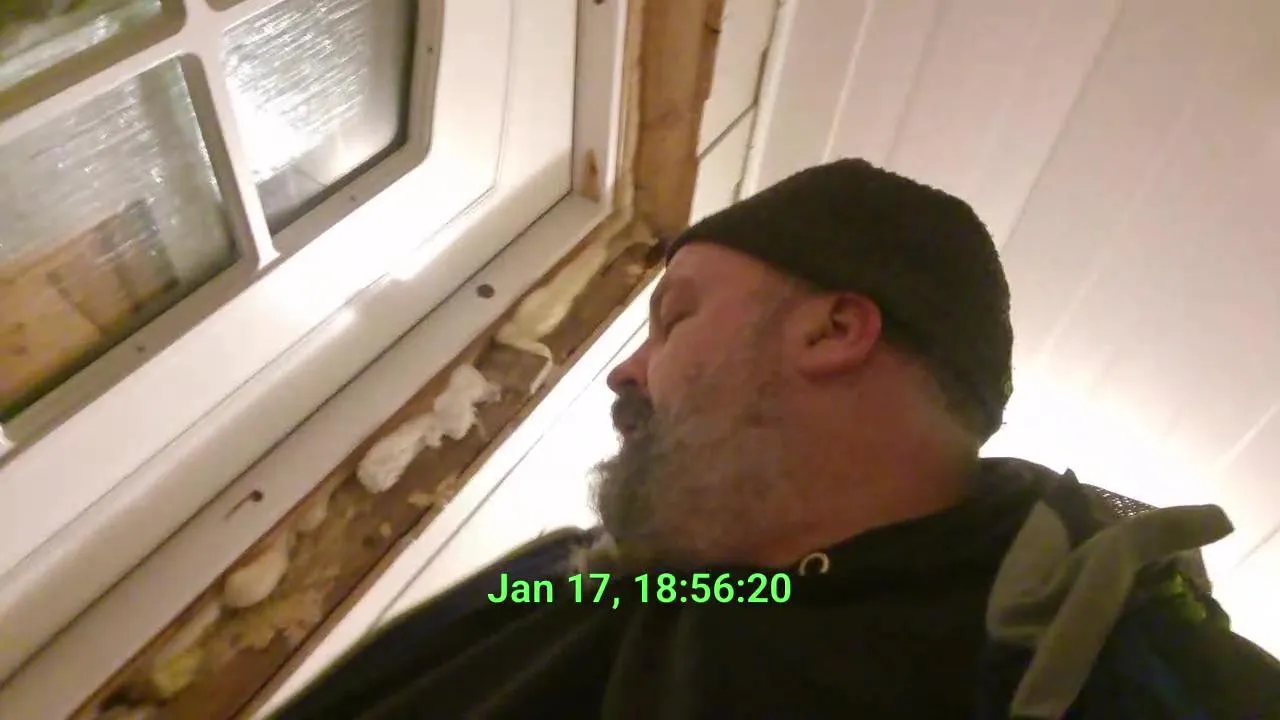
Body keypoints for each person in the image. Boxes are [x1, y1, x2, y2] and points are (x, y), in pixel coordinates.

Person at [271, 160, 1280, 718]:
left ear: (832, 331)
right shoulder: (553, 587)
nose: (625, 373)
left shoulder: (1142, 675)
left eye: (674, 318)